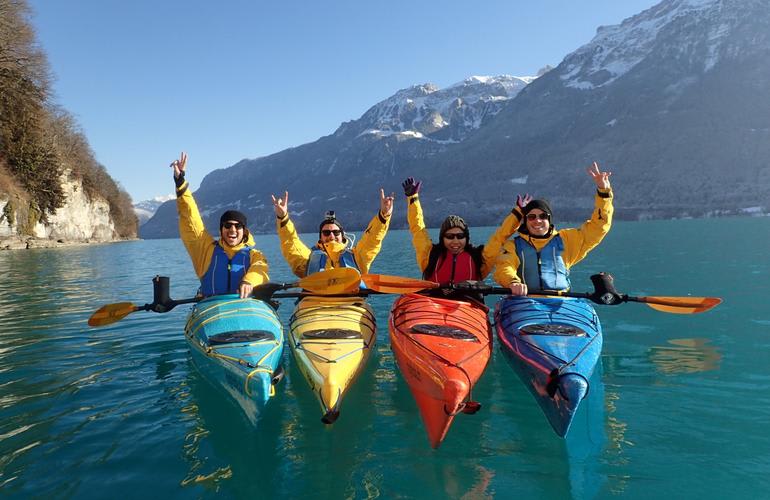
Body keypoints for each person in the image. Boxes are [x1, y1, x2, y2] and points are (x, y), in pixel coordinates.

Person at [494, 162, 613, 295]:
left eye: (543, 216)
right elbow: (504, 267)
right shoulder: (512, 246)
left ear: (549, 219)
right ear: (525, 221)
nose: (537, 220)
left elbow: (599, 226)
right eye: (531, 217)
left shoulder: (568, 240)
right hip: (525, 303)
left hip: (562, 304)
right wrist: (513, 282)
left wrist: (603, 192)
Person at [401, 176, 524, 294]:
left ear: (466, 238)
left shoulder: (480, 258)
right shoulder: (429, 255)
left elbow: (500, 237)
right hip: (434, 307)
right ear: (442, 238)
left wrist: (518, 214)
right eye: (449, 236)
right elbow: (418, 229)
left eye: (460, 236)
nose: (455, 241)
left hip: (466, 309)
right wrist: (413, 199)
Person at [171, 152, 269, 298]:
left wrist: (249, 282)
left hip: (244, 309)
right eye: (228, 225)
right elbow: (190, 217)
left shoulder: (255, 255)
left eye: (238, 226)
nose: (232, 230)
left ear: (245, 231)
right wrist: (180, 182)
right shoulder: (205, 250)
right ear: (221, 229)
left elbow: (260, 270)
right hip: (211, 309)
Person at [270, 189, 394, 278]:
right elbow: (291, 242)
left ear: (342, 235)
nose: (331, 236)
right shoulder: (308, 259)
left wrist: (384, 216)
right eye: (326, 232)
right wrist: (283, 217)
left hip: (350, 306)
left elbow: (372, 239)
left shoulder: (357, 257)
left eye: (336, 232)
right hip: (315, 306)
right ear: (320, 237)